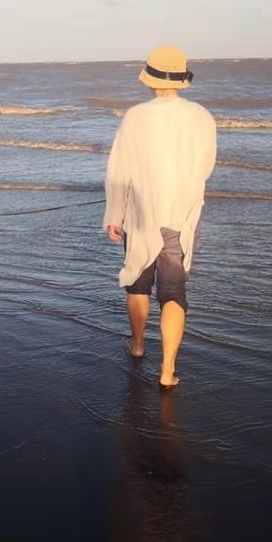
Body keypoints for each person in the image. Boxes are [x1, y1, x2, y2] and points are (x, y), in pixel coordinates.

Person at [103, 45, 217, 388]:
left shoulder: (136, 116)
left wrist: (114, 213)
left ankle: (138, 345)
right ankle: (167, 370)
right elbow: (205, 167)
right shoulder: (201, 116)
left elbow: (119, 169)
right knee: (173, 291)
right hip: (181, 213)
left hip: (141, 210)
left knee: (138, 280)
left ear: (150, 79)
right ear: (180, 80)